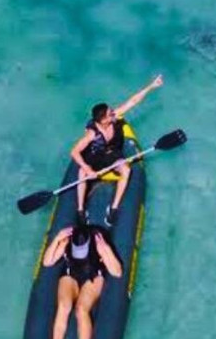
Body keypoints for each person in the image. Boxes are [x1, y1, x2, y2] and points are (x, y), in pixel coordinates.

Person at [70, 75, 164, 226]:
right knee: (82, 172)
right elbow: (74, 151)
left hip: (112, 154)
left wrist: (151, 86)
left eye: (112, 111)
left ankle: (113, 209)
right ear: (103, 120)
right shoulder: (92, 134)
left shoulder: (115, 118)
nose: (114, 113)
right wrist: (88, 169)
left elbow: (132, 101)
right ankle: (80, 209)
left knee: (126, 169)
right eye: (111, 113)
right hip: (94, 157)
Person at [42, 224, 123, 339]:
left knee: (81, 310)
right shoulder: (68, 240)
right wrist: (57, 239)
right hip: (71, 273)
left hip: (93, 275)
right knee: (64, 306)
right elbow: (47, 262)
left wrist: (106, 250)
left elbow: (117, 272)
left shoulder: (98, 243)